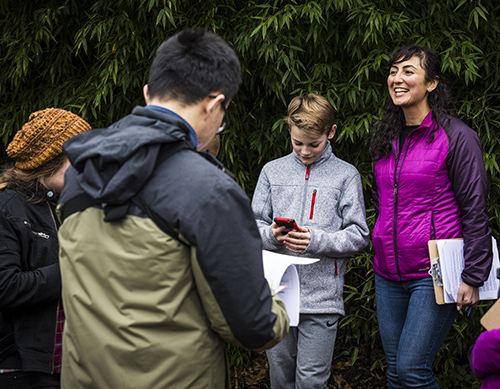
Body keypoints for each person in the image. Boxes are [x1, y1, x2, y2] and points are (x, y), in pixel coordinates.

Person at [56, 28, 289, 389]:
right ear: (214, 105)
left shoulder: (80, 172)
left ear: (148, 94)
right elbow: (252, 326)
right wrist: (276, 302)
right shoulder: (207, 189)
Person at [370, 44, 492, 388]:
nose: (397, 78)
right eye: (393, 71)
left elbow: (475, 209)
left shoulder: (457, 136)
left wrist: (474, 274)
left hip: (433, 272)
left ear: (432, 83)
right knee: (394, 371)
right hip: (387, 272)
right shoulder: (388, 137)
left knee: (411, 369)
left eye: (408, 71)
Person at [252, 93, 370, 388]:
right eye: (297, 143)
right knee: (280, 377)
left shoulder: (346, 175)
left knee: (311, 381)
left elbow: (359, 235)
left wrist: (315, 240)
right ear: (289, 132)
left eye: (313, 144)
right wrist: (271, 235)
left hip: (322, 301)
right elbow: (250, 228)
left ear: (331, 132)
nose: (305, 151)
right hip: (277, 295)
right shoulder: (271, 171)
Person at [0, 108, 91, 388]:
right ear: (53, 162)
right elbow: (6, 286)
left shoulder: (65, 206)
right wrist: (77, 269)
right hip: (22, 369)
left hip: (69, 366)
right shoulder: (8, 207)